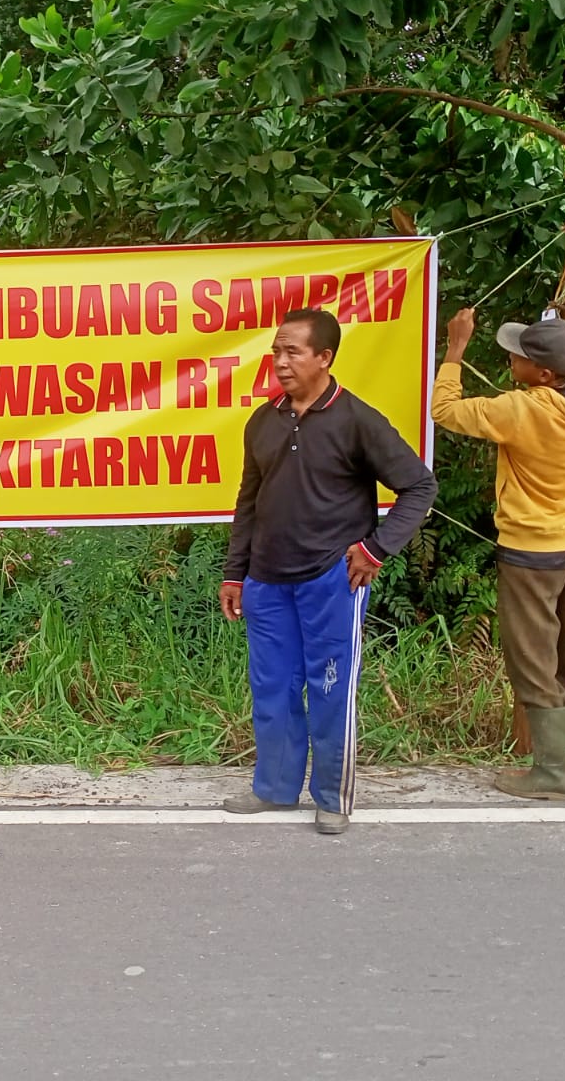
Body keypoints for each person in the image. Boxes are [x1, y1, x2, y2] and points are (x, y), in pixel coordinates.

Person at [219, 308, 437, 834]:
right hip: (268, 581)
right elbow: (249, 502)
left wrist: (377, 548)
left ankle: (333, 797)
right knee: (271, 688)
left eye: (293, 351)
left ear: (325, 358)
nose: (281, 361)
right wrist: (235, 572)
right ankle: (273, 789)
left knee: (331, 689)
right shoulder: (263, 420)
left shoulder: (356, 420)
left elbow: (419, 487)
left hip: (330, 578)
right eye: (276, 351)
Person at [433, 208, 565, 800]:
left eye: (515, 356)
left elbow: (446, 411)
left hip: (533, 552)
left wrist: (455, 350)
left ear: (538, 372)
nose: (508, 360)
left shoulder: (520, 409)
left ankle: (555, 773)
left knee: (533, 659)